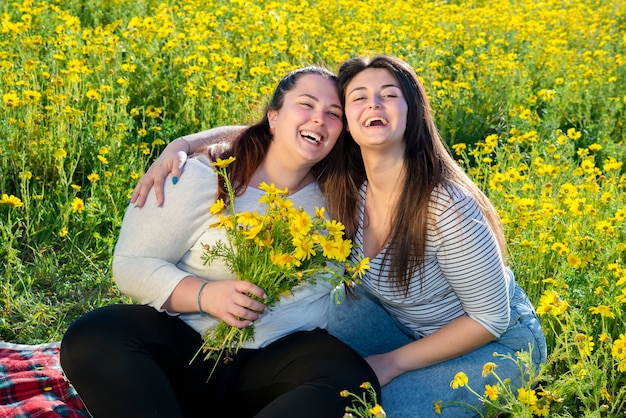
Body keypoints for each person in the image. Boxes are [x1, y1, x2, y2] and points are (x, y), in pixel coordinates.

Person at [132, 55, 547, 417]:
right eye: (359, 97)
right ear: (346, 121)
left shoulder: (443, 205)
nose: (375, 104)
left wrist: (391, 363)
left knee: (365, 410)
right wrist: (183, 144)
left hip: (496, 341)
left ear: (413, 112)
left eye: (389, 94)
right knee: (305, 357)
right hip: (395, 320)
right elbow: (276, 128)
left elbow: (490, 318)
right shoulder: (348, 180)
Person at [60, 66, 380, 418]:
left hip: (278, 362)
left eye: (333, 114)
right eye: (306, 104)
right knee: (93, 336)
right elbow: (131, 264)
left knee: (353, 382)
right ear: (273, 117)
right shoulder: (201, 175)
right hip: (188, 350)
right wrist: (204, 295)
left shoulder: (341, 195)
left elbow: (393, 150)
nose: (319, 119)